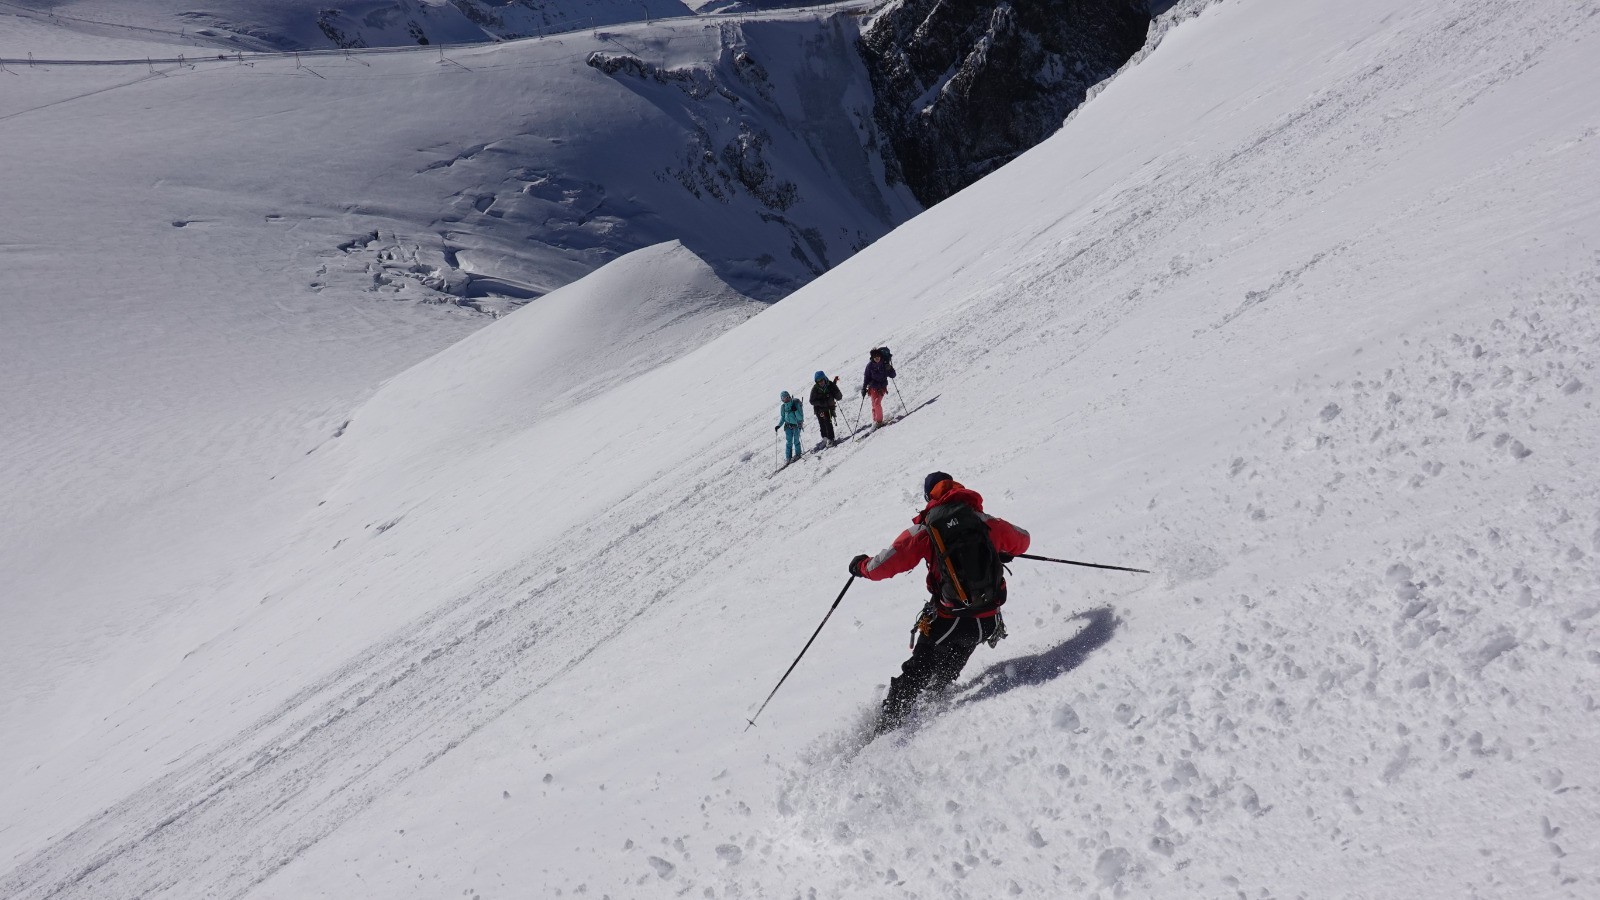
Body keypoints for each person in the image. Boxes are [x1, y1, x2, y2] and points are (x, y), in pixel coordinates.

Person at [848, 471, 1030, 735]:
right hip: (987, 620)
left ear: (929, 496)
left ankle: (884, 731)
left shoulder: (927, 528)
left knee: (919, 667)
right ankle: (935, 703)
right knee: (954, 655)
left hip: (950, 617)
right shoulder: (982, 521)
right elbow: (1023, 539)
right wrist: (999, 550)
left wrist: (861, 566)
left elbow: (884, 565)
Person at [860, 347, 896, 427]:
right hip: (872, 388)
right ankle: (875, 421)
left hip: (882, 387)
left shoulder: (884, 364)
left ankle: (879, 422)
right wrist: (864, 388)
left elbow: (893, 375)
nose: (877, 358)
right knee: (873, 405)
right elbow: (866, 378)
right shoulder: (869, 366)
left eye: (878, 357)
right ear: (872, 358)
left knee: (877, 403)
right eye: (875, 357)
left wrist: (890, 368)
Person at [809, 370, 844, 444]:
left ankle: (831, 439)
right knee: (822, 424)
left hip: (829, 408)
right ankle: (825, 438)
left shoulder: (830, 385)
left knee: (828, 423)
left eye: (821, 380)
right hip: (819, 409)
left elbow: (839, 396)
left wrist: (836, 392)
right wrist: (820, 403)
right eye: (818, 381)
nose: (820, 382)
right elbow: (811, 401)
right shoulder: (815, 388)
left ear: (824, 378)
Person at [774, 390, 805, 462]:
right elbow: (783, 417)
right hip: (787, 426)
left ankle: (798, 454)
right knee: (789, 442)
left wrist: (796, 410)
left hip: (797, 425)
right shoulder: (783, 407)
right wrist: (778, 425)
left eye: (787, 397)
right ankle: (788, 457)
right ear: (782, 399)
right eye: (784, 398)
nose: (786, 399)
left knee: (796, 441)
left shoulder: (796, 404)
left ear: (789, 396)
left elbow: (800, 418)